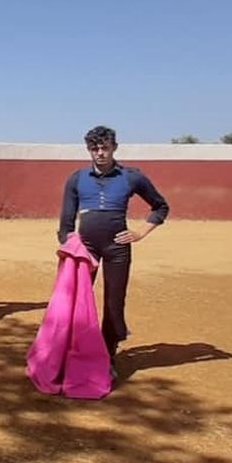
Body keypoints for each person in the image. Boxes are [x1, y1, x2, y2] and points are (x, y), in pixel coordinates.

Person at [57, 125, 170, 364]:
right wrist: (70, 247)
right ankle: (74, 349)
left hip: (117, 248)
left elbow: (160, 206)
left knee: (114, 301)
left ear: (114, 148)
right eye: (94, 148)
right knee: (75, 300)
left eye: (105, 148)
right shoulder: (77, 178)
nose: (100, 153)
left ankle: (107, 354)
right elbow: (66, 222)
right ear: (88, 150)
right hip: (84, 251)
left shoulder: (131, 176)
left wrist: (140, 233)